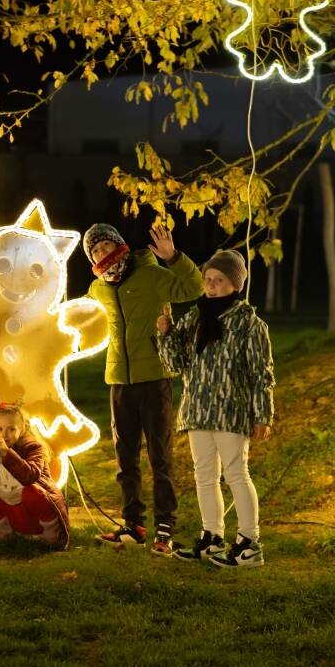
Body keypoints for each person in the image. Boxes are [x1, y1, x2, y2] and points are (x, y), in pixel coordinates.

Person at [84, 221, 203, 555]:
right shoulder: (98, 290)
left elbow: (192, 287)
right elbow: (80, 322)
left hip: (154, 377)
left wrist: (174, 257)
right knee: (126, 458)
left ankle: (165, 526)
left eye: (106, 246)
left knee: (160, 456)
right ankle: (132, 524)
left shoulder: (151, 275)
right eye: (94, 251)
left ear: (119, 244)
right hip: (119, 381)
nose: (102, 254)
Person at [157, 250, 274, 567]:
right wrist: (166, 333)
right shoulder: (195, 318)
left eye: (219, 281)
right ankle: (212, 537)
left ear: (234, 285)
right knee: (204, 476)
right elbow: (175, 363)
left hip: (230, 411)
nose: (211, 286)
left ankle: (249, 542)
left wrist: (262, 414)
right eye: (208, 280)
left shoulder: (248, 324)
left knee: (236, 473)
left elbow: (260, 374)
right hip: (198, 410)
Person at [0, 400, 70, 549]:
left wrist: (7, 453)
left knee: (31, 492)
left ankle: (52, 536)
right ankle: (6, 534)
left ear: (23, 428)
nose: (4, 434)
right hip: (14, 510)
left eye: (11, 429)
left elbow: (29, 476)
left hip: (36, 508)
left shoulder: (34, 448)